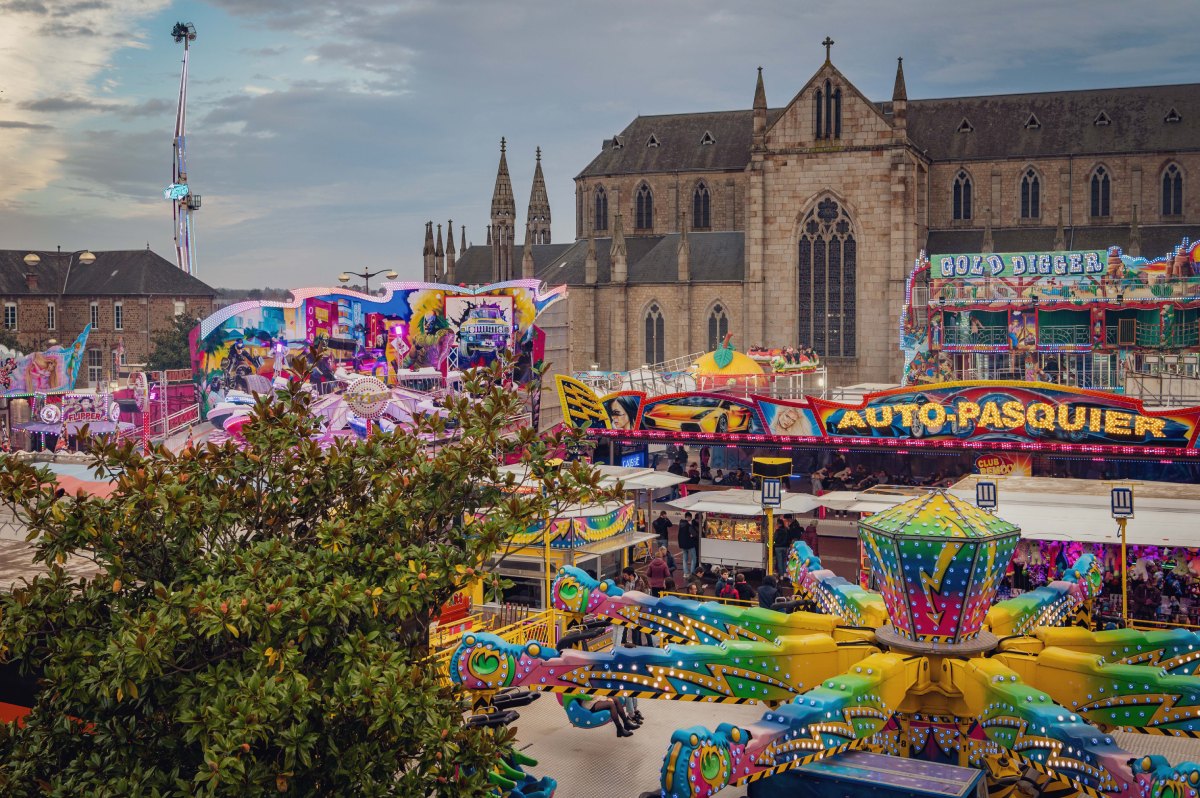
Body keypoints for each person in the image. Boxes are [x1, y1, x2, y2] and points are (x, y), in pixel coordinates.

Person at [678, 512, 699, 578]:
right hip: (690, 544)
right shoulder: (688, 525)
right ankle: (692, 573)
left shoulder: (681, 524)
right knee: (694, 558)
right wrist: (692, 535)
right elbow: (694, 534)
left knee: (685, 559)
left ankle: (686, 573)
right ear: (689, 517)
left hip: (683, 544)